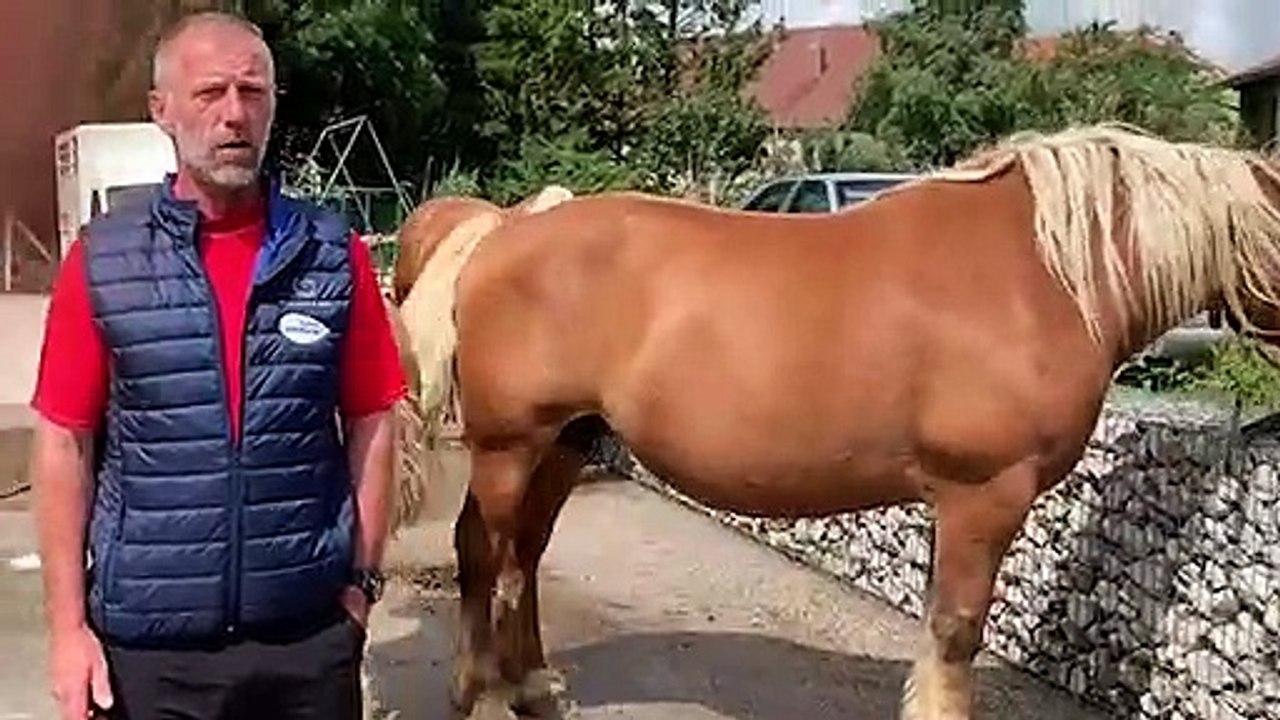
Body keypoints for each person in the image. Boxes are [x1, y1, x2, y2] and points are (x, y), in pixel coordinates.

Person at [28, 10, 407, 720]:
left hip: (305, 645)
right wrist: (67, 630)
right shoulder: (103, 260)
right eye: (210, 93)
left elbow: (373, 419)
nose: (234, 114)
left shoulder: (332, 254)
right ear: (161, 110)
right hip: (150, 656)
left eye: (252, 92)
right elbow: (63, 444)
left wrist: (360, 586)